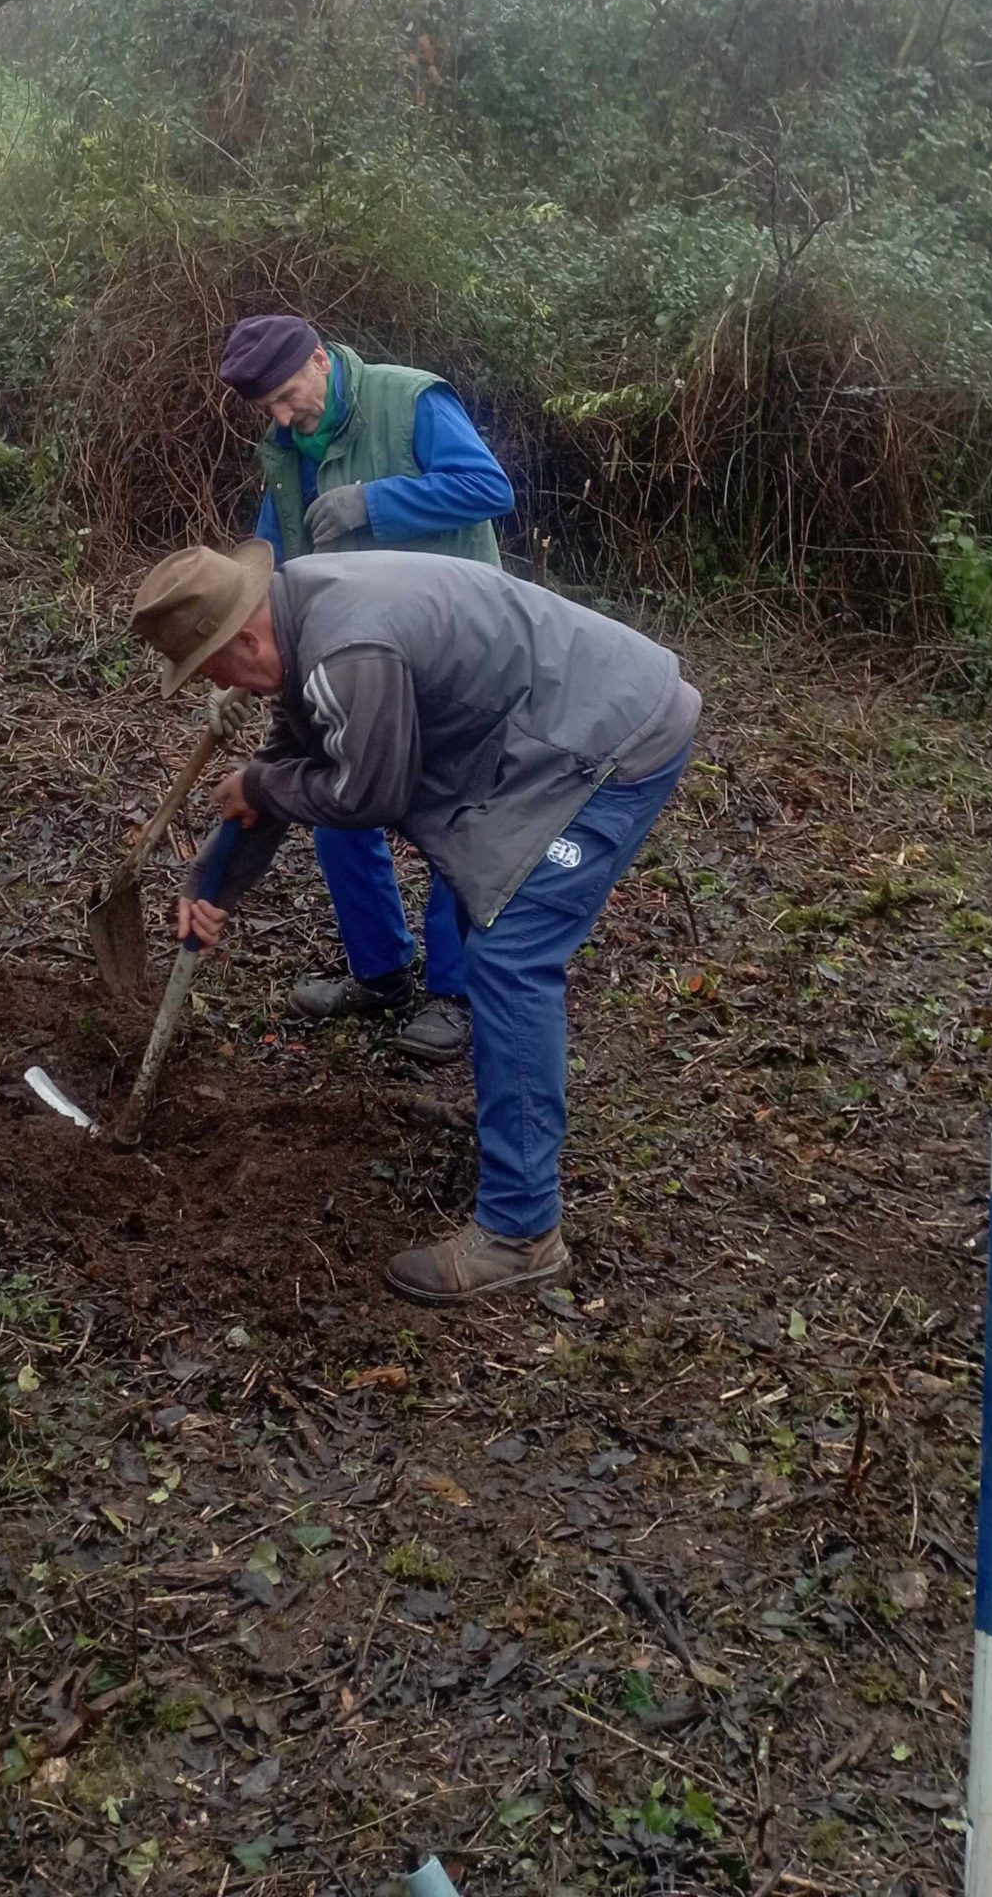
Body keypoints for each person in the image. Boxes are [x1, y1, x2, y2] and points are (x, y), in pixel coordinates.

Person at [129, 541, 699, 1307]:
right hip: (541, 729)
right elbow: (292, 756)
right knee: (484, 907)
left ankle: (522, 1232)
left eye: (212, 670)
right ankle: (510, 1128)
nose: (220, 688)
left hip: (608, 738)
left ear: (248, 641)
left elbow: (369, 794)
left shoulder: (348, 651)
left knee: (509, 955)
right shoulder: (301, 613)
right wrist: (214, 884)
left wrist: (260, 784)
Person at [218, 312, 514, 1064]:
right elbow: (271, 557)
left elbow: (489, 487)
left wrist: (376, 502)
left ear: (320, 360)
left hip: (450, 651)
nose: (284, 417)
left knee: (452, 811)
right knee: (335, 801)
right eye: (268, 408)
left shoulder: (411, 401)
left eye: (288, 396)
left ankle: (455, 994)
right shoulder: (286, 447)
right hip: (349, 651)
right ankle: (381, 973)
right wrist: (238, 653)